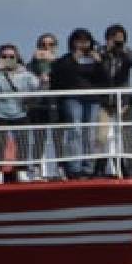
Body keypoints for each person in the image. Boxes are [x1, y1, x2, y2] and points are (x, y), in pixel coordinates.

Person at [49, 27, 109, 178]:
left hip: (92, 99)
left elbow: (106, 80)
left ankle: (88, 168)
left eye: (86, 41)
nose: (83, 44)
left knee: (89, 133)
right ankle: (74, 167)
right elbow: (59, 76)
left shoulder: (96, 59)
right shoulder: (65, 60)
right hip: (72, 98)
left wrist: (100, 63)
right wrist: (73, 60)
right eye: (79, 41)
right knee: (75, 130)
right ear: (72, 42)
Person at [0, 43, 41, 183]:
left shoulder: (24, 73)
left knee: (22, 142)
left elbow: (37, 85)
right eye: (4, 56)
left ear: (17, 58)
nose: (8, 59)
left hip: (19, 112)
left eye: (11, 56)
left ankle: (21, 171)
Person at [99, 23, 132, 177]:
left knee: (127, 135)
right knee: (102, 136)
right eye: (114, 39)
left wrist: (123, 49)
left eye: (120, 39)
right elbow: (96, 65)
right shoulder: (101, 52)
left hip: (125, 101)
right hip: (105, 102)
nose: (117, 42)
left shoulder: (126, 53)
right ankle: (103, 169)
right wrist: (106, 51)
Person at [26, 33, 62, 178]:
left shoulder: (61, 63)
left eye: (50, 44)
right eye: (43, 45)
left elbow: (68, 75)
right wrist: (35, 62)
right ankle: (36, 168)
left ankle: (61, 167)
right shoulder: (31, 64)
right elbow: (24, 76)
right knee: (39, 137)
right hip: (38, 103)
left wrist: (54, 63)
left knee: (58, 136)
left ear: (55, 47)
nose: (47, 48)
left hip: (55, 102)